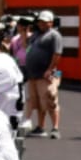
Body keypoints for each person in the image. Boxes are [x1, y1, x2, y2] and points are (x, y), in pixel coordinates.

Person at [24, 9, 63, 138]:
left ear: (51, 23)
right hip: (34, 75)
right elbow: (26, 47)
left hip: (49, 73)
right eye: (40, 21)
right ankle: (40, 127)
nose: (41, 24)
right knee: (39, 102)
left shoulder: (54, 35)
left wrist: (50, 69)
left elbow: (57, 54)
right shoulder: (35, 35)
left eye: (45, 22)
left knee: (51, 98)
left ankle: (55, 128)